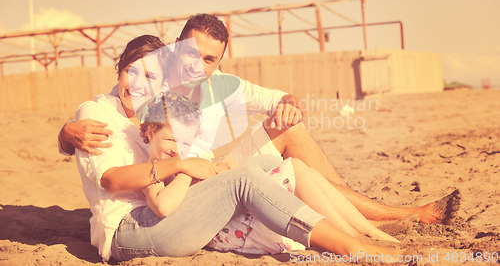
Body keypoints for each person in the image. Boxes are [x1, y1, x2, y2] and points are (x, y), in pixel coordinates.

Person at [60, 13, 461, 225]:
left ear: (219, 62)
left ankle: (381, 213)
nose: (197, 65)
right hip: (193, 187)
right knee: (283, 163)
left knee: (292, 128)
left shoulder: (224, 86)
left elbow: (279, 99)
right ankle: (402, 216)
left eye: (210, 59)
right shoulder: (153, 82)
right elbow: (113, 119)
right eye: (190, 52)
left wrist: (289, 102)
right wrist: (65, 134)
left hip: (218, 171)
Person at [74, 35, 405, 262]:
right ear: (119, 69)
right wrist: (183, 167)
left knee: (273, 168)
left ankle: (362, 231)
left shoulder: (158, 108)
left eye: (149, 76)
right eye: (131, 72)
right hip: (129, 231)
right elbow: (111, 180)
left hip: (172, 210)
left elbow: (256, 97)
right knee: (244, 179)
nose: (136, 84)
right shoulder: (96, 112)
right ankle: (354, 248)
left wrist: (202, 168)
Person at [139, 91, 399, 255]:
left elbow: (218, 184)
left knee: (296, 167)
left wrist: (220, 168)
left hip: (232, 214)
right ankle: (353, 237)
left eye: (185, 143)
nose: (178, 150)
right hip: (224, 231)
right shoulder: (151, 171)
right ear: (151, 133)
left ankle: (366, 230)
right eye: (171, 140)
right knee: (290, 174)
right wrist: (186, 170)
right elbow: (164, 205)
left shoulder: (186, 157)